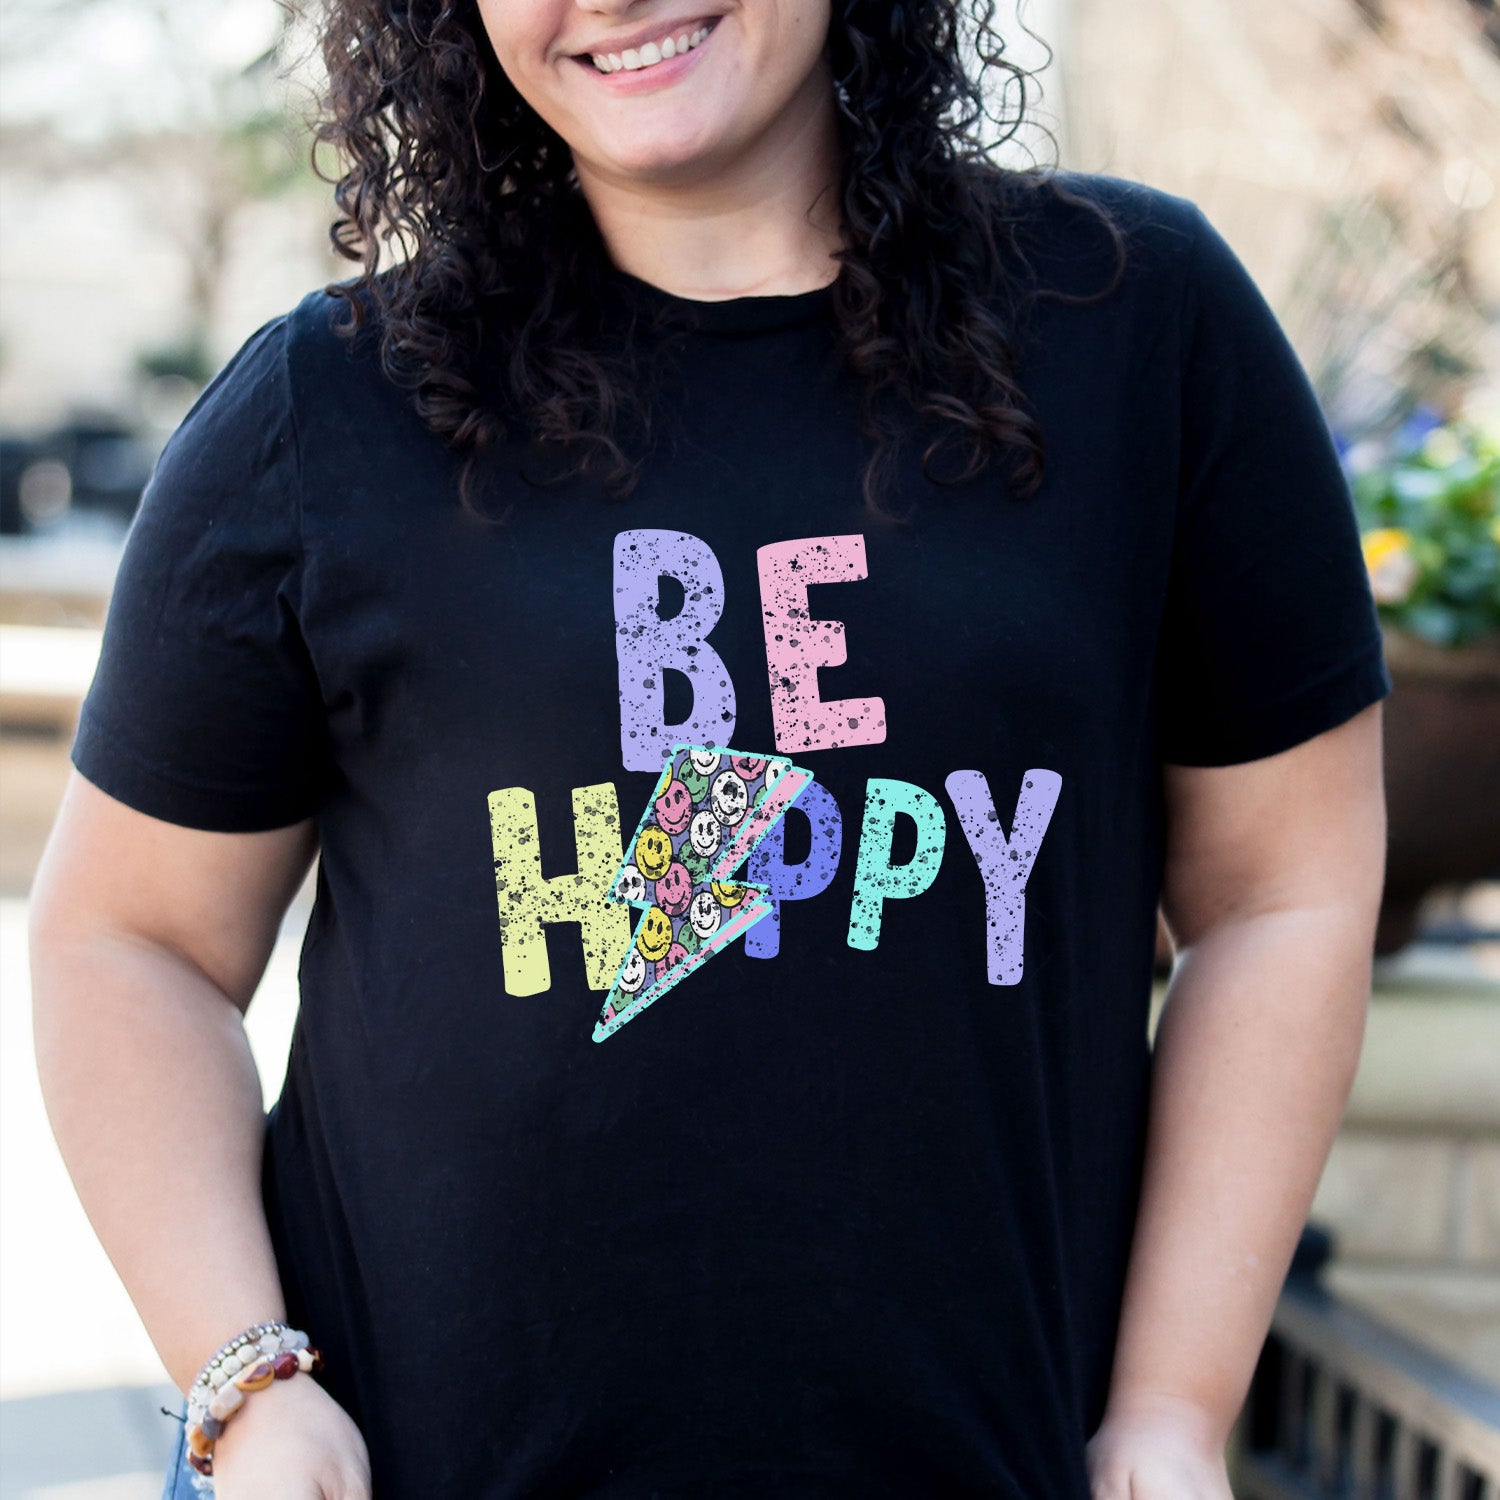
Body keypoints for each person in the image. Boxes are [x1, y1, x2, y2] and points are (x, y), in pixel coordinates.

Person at [27, 0, 1391, 1495]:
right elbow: (128, 940)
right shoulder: (327, 410)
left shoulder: (1138, 330)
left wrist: (1175, 1407)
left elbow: (1283, 889)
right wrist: (245, 1381)